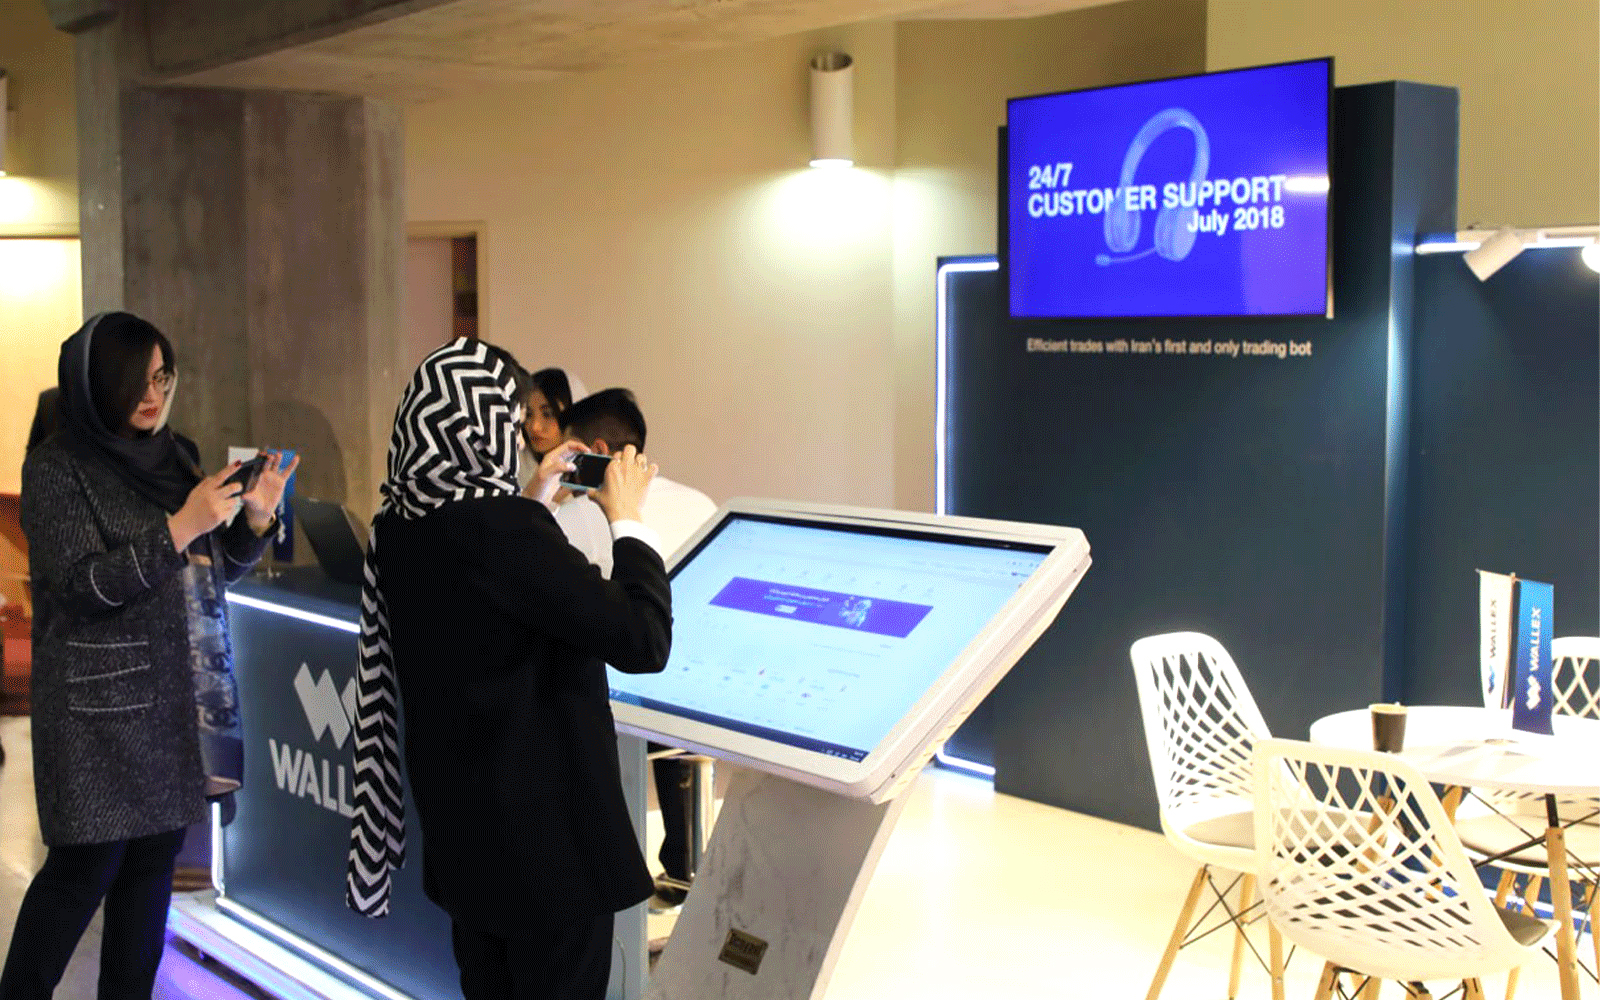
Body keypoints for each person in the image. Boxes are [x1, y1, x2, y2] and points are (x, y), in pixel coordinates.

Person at [344, 339, 671, 999]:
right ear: (483, 428)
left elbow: (491, 602)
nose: (519, 438)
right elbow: (642, 639)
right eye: (513, 422)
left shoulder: (399, 528)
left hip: (468, 846)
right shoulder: (505, 532)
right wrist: (629, 520)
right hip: (549, 860)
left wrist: (533, 498)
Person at [2, 311, 297, 999]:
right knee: (80, 874)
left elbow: (205, 572)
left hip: (172, 705)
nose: (153, 394)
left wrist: (255, 521)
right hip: (95, 715)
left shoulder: (176, 455)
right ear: (96, 382)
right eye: (135, 379)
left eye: (163, 377)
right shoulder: (57, 468)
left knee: (150, 879)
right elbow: (77, 587)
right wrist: (181, 526)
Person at [551, 388, 716, 908]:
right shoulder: (700, 502)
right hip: (704, 690)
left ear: (598, 451)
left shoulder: (577, 518)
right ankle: (684, 865)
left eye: (571, 455)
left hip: (624, 694)